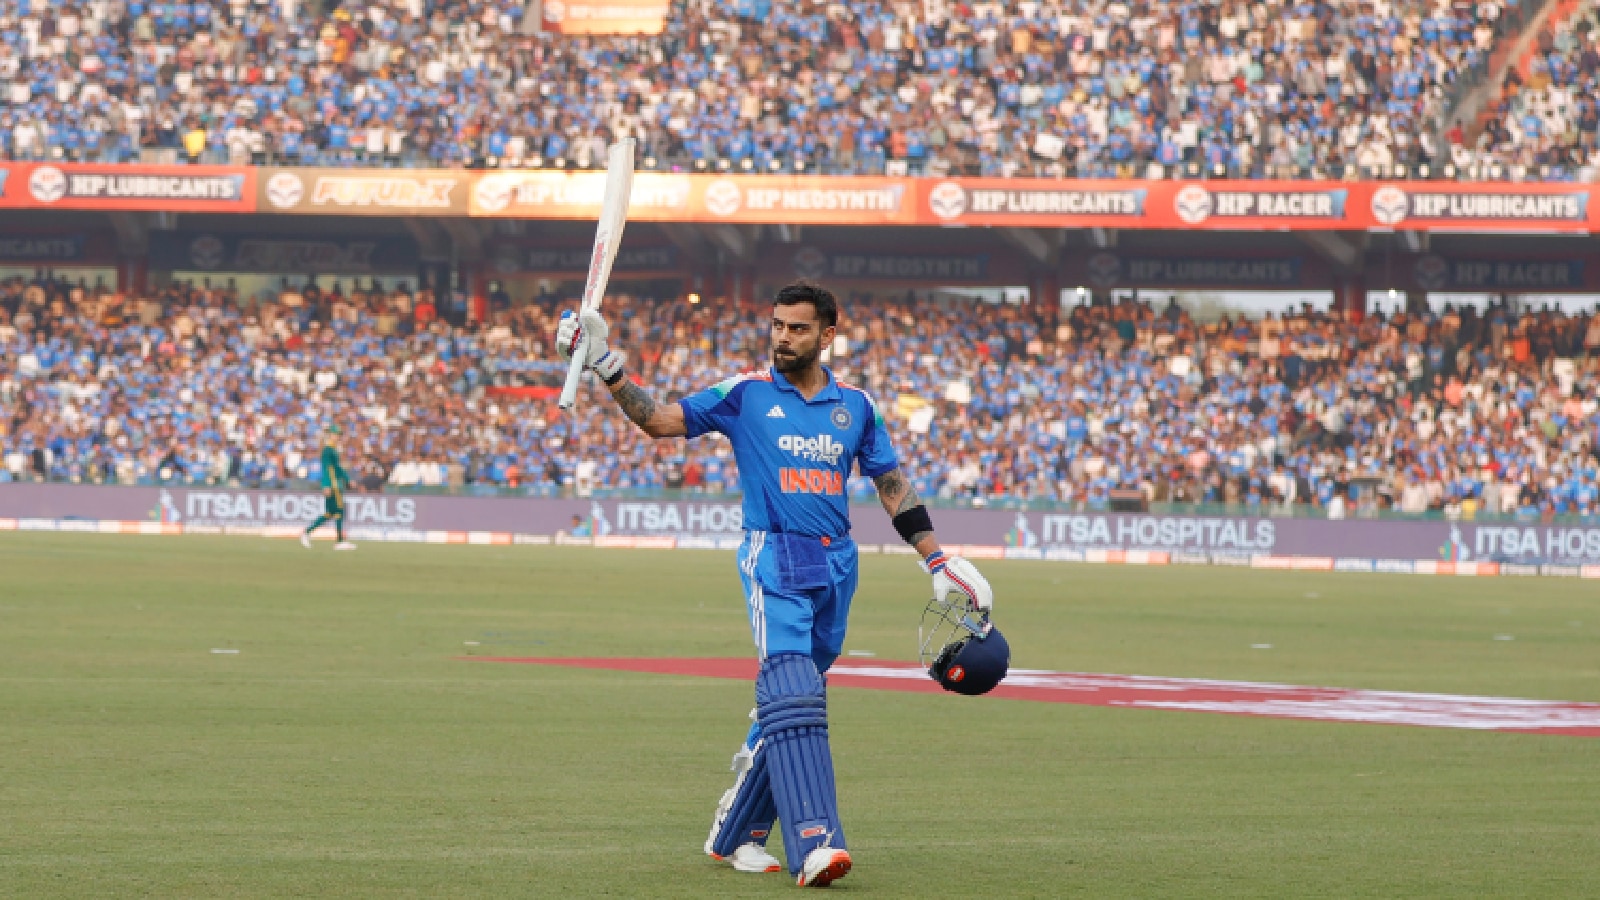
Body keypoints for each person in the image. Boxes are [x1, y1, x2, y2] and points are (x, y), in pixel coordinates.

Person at [556, 281, 994, 888]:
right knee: (794, 691)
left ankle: (735, 833)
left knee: (792, 702)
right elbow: (657, 420)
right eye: (777, 325)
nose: (782, 338)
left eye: (797, 328)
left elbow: (891, 485)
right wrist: (606, 363)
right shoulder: (745, 394)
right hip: (775, 556)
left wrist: (936, 559)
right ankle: (817, 842)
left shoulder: (856, 406)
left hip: (838, 563)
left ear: (827, 335)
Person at [301, 425, 356, 550]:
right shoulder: (328, 450)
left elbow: (337, 468)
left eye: (339, 434)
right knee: (338, 511)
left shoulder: (333, 449)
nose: (338, 437)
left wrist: (347, 479)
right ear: (330, 435)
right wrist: (326, 484)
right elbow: (327, 469)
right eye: (336, 434)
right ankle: (339, 541)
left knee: (331, 513)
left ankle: (307, 532)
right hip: (333, 485)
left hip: (335, 483)